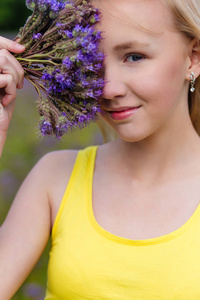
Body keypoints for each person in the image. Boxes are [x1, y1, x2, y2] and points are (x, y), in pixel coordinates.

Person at [1, 0, 200, 299]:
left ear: (193, 58)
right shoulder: (55, 179)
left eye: (134, 56)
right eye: (91, 63)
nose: (107, 89)